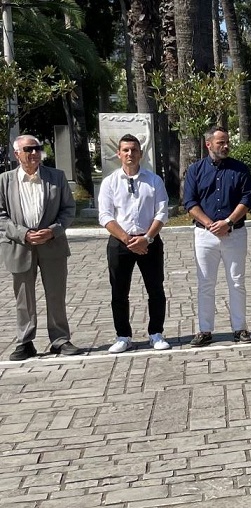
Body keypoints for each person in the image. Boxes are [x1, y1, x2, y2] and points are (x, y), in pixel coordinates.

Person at [0, 135, 79, 361]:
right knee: (23, 298)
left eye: (37, 148)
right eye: (28, 149)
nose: (34, 153)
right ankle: (25, 342)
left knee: (56, 294)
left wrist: (53, 230)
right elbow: (1, 215)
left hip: (52, 245)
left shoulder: (57, 177)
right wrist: (23, 233)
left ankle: (60, 339)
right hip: (20, 246)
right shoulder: (4, 180)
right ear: (17, 154)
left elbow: (68, 209)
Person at [98, 134, 170, 354]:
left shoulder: (154, 180)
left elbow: (162, 213)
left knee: (155, 289)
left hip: (149, 241)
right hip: (121, 243)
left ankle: (156, 333)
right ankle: (123, 336)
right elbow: (105, 216)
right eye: (126, 150)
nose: (130, 154)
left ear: (141, 153)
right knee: (119, 292)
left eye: (134, 150)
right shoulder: (110, 182)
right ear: (119, 154)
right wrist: (127, 239)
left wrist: (146, 238)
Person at [183, 126, 251, 347]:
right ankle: (205, 330)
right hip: (205, 235)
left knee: (237, 282)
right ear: (208, 144)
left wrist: (228, 222)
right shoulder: (195, 170)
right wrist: (210, 224)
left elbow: (247, 199)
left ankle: (240, 328)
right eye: (220, 142)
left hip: (235, 233)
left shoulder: (240, 169)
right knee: (205, 283)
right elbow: (190, 202)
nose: (225, 146)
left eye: (227, 142)